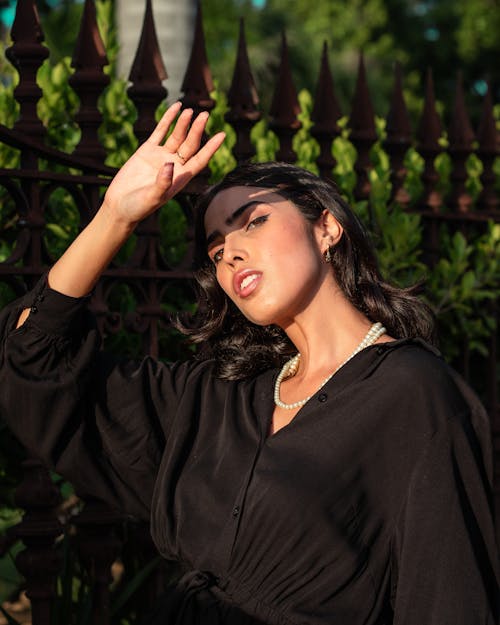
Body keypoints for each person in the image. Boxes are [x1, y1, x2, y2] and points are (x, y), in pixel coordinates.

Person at [0, 102, 498, 625]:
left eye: (253, 222)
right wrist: (115, 215)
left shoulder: (415, 393)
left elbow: (450, 597)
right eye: (215, 251)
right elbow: (32, 361)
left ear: (326, 228)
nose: (230, 252)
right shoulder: (217, 396)